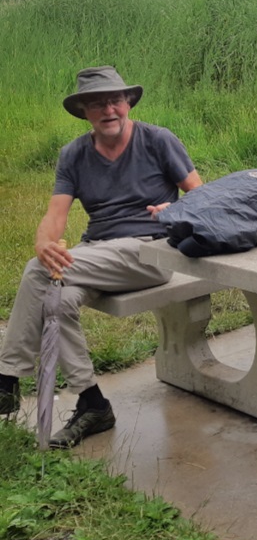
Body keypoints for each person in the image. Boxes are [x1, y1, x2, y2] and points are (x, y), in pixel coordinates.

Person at [0, 66, 202, 448]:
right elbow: (54, 217)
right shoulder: (73, 154)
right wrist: (44, 243)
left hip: (151, 251)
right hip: (98, 252)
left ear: (127, 103)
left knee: (35, 274)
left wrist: (175, 214)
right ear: (84, 112)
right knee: (53, 298)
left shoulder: (158, 140)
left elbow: (201, 195)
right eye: (97, 104)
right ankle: (93, 403)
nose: (108, 110)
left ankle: (7, 378)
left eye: (114, 101)